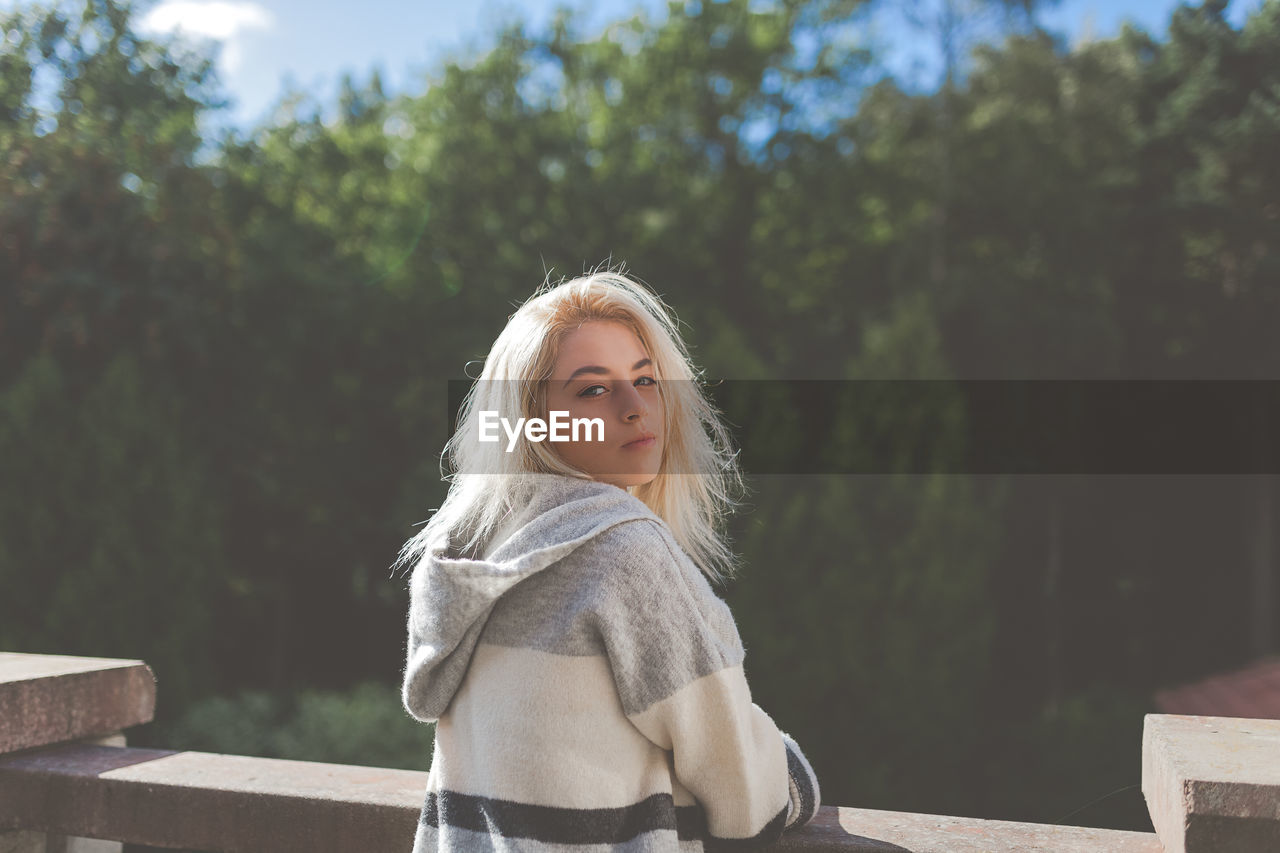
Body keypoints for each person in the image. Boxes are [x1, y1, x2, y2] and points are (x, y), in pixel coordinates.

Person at [393, 267, 821, 852]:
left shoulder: (471, 555)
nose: (634, 407)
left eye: (645, 380)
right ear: (533, 420)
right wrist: (794, 778)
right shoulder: (623, 553)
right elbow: (744, 794)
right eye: (593, 389)